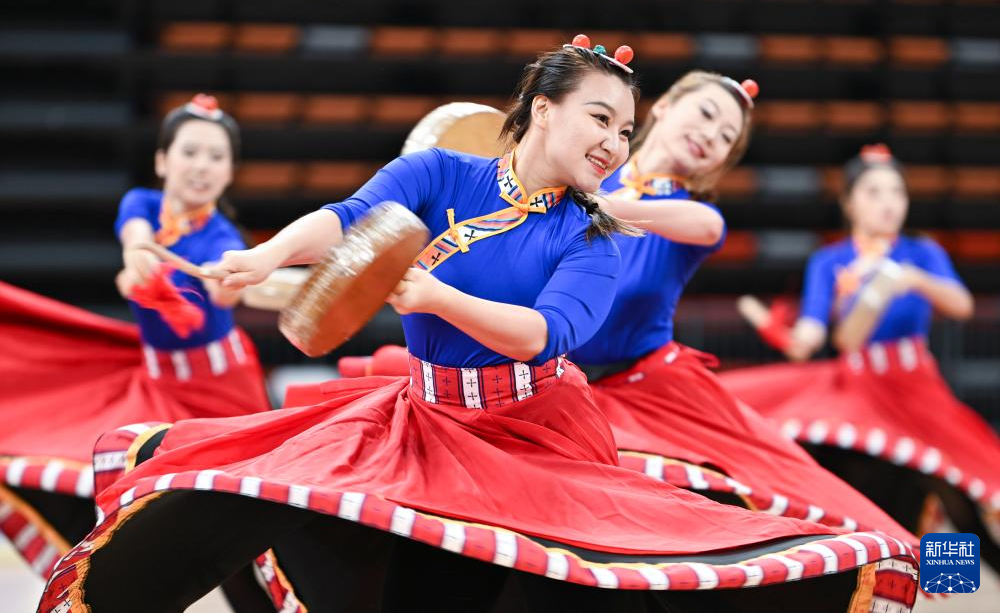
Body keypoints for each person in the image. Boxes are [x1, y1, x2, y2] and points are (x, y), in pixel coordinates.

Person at [41, 41, 917, 613]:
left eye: (623, 129)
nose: (617, 141)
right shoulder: (445, 170)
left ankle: (929, 566)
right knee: (248, 495)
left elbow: (545, 333)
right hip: (429, 410)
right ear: (544, 107)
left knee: (747, 533)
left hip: (549, 419)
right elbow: (351, 220)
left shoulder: (610, 224)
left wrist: (440, 293)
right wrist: (266, 255)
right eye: (602, 119)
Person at [0, 95, 270, 593]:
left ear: (230, 172)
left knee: (239, 527)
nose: (202, 166)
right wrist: (138, 260)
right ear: (162, 161)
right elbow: (137, 240)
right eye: (190, 152)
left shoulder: (223, 238)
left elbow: (222, 289)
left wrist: (227, 283)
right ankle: (97, 589)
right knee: (101, 479)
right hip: (157, 383)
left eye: (216, 156)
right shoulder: (141, 206)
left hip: (221, 392)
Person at [720, 143, 998, 570]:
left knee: (956, 493)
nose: (888, 203)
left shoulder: (920, 253)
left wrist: (913, 279)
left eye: (897, 192)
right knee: (866, 508)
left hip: (914, 391)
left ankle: (949, 583)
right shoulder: (831, 261)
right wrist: (791, 337)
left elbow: (960, 305)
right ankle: (870, 585)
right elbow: (815, 333)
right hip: (858, 395)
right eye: (874, 192)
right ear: (849, 202)